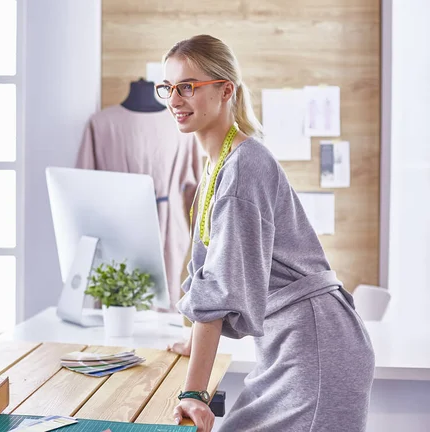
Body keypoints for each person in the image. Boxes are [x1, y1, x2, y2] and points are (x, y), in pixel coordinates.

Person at [158, 35, 375, 432]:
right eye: (168, 87)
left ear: (226, 90)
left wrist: (193, 392)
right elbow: (206, 270)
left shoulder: (244, 166)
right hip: (288, 346)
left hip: (316, 348)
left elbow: (218, 288)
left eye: (188, 86)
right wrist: (193, 344)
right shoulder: (216, 164)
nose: (175, 99)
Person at [76, 78, 204, 311]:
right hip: (117, 226)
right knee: (116, 303)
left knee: (162, 304)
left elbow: (196, 193)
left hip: (167, 227)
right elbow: (82, 189)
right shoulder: (101, 123)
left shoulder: (182, 125)